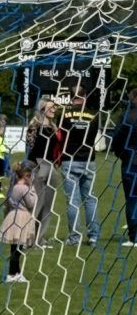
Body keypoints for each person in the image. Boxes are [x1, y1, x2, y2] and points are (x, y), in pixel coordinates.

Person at [61, 86, 102, 246]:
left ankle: (74, 238)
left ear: (71, 98)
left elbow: (60, 136)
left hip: (70, 159)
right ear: (84, 96)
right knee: (90, 199)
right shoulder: (94, 115)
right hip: (88, 160)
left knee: (73, 201)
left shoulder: (64, 114)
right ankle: (93, 236)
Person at [25, 98, 61, 248]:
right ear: (42, 109)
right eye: (50, 107)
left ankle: (39, 239)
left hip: (50, 166)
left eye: (54, 107)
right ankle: (27, 238)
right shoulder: (34, 125)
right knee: (36, 204)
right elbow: (31, 146)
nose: (53, 110)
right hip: (38, 165)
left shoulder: (53, 127)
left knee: (47, 205)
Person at [0, 161, 38, 283]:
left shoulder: (14, 187)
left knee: (14, 248)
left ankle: (16, 273)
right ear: (26, 175)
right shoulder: (24, 188)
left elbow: (7, 204)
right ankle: (12, 273)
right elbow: (31, 204)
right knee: (18, 250)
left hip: (13, 216)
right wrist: (33, 191)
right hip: (22, 218)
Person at [112, 89, 137, 246]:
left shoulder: (128, 116)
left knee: (132, 198)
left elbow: (117, 138)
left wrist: (122, 154)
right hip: (131, 159)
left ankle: (134, 236)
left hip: (131, 162)